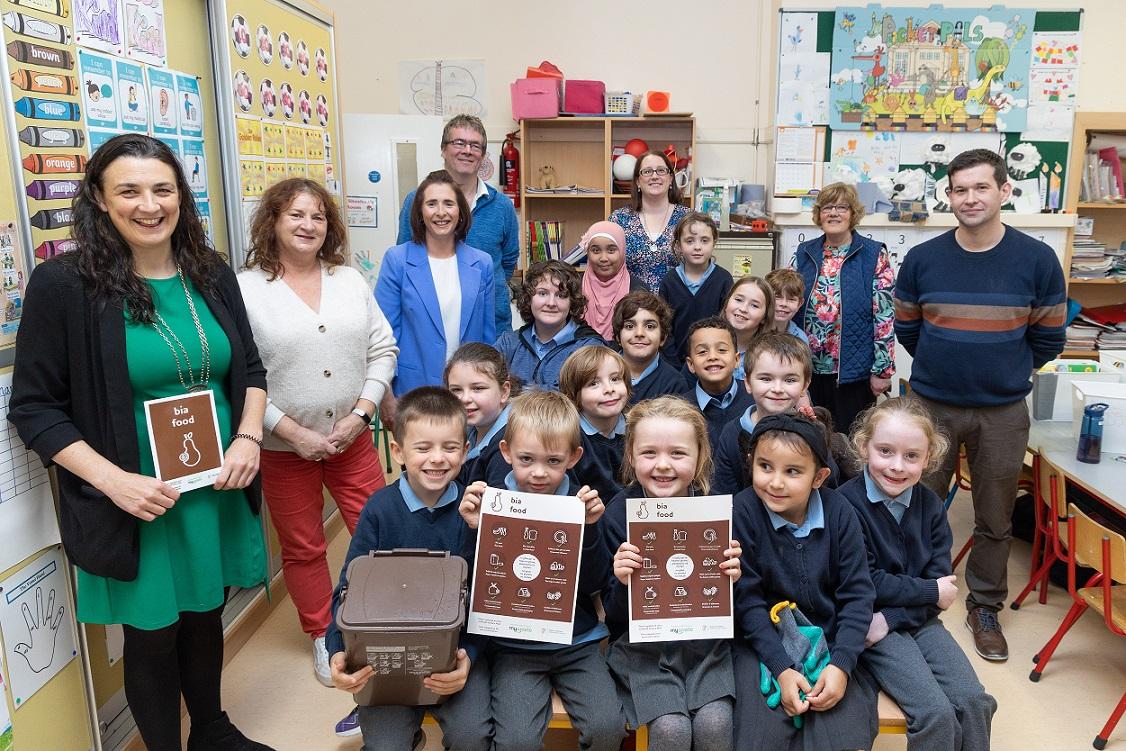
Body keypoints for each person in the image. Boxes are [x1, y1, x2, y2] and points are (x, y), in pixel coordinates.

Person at [8, 134, 273, 751]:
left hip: (211, 482)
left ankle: (210, 727)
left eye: (162, 188)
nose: (148, 205)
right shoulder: (65, 286)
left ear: (180, 194)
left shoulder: (209, 272)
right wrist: (112, 481)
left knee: (206, 612)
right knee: (153, 632)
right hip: (134, 494)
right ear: (99, 200)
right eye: (128, 190)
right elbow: (34, 408)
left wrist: (249, 437)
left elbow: (251, 370)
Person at [894, 148, 1066, 662]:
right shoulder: (923, 258)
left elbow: (1049, 337)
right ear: (948, 197)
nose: (969, 198)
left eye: (980, 188)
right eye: (959, 190)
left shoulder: (1036, 259)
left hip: (1002, 411)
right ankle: (915, 597)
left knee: (994, 516)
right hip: (931, 406)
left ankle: (984, 605)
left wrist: (1001, 372)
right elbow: (909, 328)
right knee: (915, 507)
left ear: (1004, 192)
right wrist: (948, 366)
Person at [238, 178, 398, 687]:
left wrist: (361, 413)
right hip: (285, 447)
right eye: (296, 215)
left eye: (318, 217)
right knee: (303, 546)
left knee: (381, 537)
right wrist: (288, 430)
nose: (308, 225)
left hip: (353, 440)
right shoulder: (245, 290)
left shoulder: (349, 280)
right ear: (273, 222)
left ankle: (387, 623)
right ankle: (323, 636)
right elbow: (237, 372)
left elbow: (383, 350)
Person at [459, 390, 626, 751]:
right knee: (517, 741)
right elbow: (476, 581)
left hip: (577, 643)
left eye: (553, 461)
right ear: (505, 453)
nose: (538, 472)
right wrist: (475, 530)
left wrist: (592, 529)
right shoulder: (492, 502)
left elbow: (597, 582)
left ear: (573, 457)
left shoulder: (581, 502)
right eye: (525, 459)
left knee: (609, 727)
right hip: (513, 646)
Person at [326, 388, 491, 751]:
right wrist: (337, 649)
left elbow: (485, 598)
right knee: (386, 746)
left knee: (472, 736)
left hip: (455, 657)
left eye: (450, 447)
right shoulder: (379, 510)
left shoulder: (476, 512)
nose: (437, 459)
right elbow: (347, 589)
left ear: (465, 451)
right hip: (385, 655)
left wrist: (470, 659)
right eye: (423, 448)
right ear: (398, 452)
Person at [840, 397, 996, 750]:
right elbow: (869, 583)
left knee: (974, 701)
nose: (897, 466)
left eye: (911, 456)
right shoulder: (845, 505)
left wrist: (897, 613)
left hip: (904, 620)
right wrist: (928, 592)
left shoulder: (930, 505)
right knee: (934, 713)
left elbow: (944, 586)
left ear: (928, 459)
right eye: (885, 451)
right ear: (864, 448)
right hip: (869, 626)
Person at [602, 396, 742, 750]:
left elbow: (735, 608)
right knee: (670, 729)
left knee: (716, 722)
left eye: (678, 454)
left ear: (699, 459)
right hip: (642, 650)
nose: (663, 465)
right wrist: (621, 581)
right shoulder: (619, 514)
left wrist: (733, 580)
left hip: (706, 649)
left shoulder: (716, 513)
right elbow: (613, 615)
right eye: (649, 453)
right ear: (631, 458)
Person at [732, 412, 878, 751]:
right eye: (765, 466)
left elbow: (858, 596)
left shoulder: (840, 513)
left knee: (839, 733)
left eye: (793, 471)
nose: (776, 482)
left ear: (819, 477)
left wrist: (841, 666)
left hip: (830, 639)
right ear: (751, 462)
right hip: (761, 643)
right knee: (761, 736)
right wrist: (781, 668)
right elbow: (747, 602)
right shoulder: (742, 511)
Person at [377, 169, 495, 426]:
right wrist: (386, 396)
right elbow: (383, 338)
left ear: (461, 212)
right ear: (420, 212)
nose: (441, 212)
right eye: (431, 204)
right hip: (413, 391)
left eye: (448, 203)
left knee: (466, 462)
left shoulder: (482, 263)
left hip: (468, 395)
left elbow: (487, 338)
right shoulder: (397, 260)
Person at [397, 115, 520, 334]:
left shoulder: (501, 206)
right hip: (430, 325)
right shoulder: (415, 201)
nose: (467, 150)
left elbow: (508, 261)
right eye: (459, 143)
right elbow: (405, 260)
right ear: (443, 150)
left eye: (475, 145)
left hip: (490, 324)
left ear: (482, 156)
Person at [791, 182, 895, 434]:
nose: (834, 213)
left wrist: (882, 370)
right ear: (818, 213)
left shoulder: (873, 254)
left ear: (853, 213)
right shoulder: (805, 252)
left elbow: (884, 316)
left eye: (842, 207)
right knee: (809, 438)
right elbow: (788, 302)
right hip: (808, 369)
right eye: (827, 207)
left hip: (853, 371)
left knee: (850, 443)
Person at [712, 332, 811, 495]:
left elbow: (825, 482)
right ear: (748, 383)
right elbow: (722, 493)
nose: (777, 389)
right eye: (766, 379)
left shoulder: (810, 431)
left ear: (804, 386)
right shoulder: (732, 433)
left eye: (790, 380)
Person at [495, 260, 605, 390]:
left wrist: (515, 389)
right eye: (542, 293)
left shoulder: (589, 347)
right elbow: (485, 381)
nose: (551, 303)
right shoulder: (509, 342)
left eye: (561, 295)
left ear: (572, 302)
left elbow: (574, 395)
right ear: (529, 298)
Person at [659, 211, 734, 362]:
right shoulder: (670, 281)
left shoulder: (723, 279)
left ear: (714, 242)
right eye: (690, 241)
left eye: (705, 240)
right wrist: (674, 363)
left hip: (714, 360)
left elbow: (728, 326)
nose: (697, 247)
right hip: (677, 361)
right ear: (679, 244)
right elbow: (663, 327)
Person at [610, 151, 690, 292]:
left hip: (678, 307)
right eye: (647, 171)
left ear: (671, 178)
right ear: (637, 181)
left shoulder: (688, 219)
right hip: (631, 308)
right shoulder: (619, 220)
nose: (654, 176)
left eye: (661, 170)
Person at [559, 346, 630, 503]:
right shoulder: (568, 437)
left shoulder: (638, 430)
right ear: (574, 394)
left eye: (615, 379)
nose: (609, 389)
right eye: (593, 383)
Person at [444, 342, 517, 487]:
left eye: (477, 388)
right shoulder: (467, 429)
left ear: (504, 392)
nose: (465, 398)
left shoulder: (510, 443)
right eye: (456, 390)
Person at [682, 317, 754, 452]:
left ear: (737, 359)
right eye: (702, 352)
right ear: (691, 365)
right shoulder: (681, 409)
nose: (712, 357)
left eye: (721, 350)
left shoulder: (755, 398)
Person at [613, 291, 688, 404]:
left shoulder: (674, 384)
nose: (639, 333)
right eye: (630, 326)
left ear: (662, 338)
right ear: (618, 336)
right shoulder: (598, 372)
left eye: (649, 326)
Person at [580, 220, 646, 339]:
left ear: (622, 250)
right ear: (587, 253)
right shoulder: (575, 287)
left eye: (611, 250)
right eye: (596, 250)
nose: (603, 258)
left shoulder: (638, 290)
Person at [722, 276, 774, 384]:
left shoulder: (772, 355)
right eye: (738, 300)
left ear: (765, 317)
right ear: (727, 303)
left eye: (754, 305)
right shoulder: (706, 342)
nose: (743, 309)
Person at [764, 267, 810, 345]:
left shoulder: (800, 339)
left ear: (800, 304)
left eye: (791, 299)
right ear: (765, 297)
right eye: (777, 297)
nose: (784, 304)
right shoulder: (751, 330)